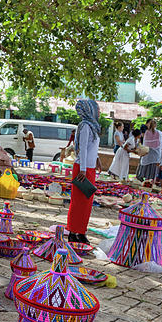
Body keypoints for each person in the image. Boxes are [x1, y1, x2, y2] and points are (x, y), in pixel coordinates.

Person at [66, 98, 101, 244]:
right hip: (82, 168)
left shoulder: (93, 126)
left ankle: (81, 231)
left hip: (89, 167)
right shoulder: (85, 126)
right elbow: (83, 149)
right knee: (79, 202)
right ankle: (73, 231)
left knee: (87, 202)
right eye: (96, 108)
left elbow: (92, 149)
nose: (98, 111)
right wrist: (83, 169)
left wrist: (97, 159)